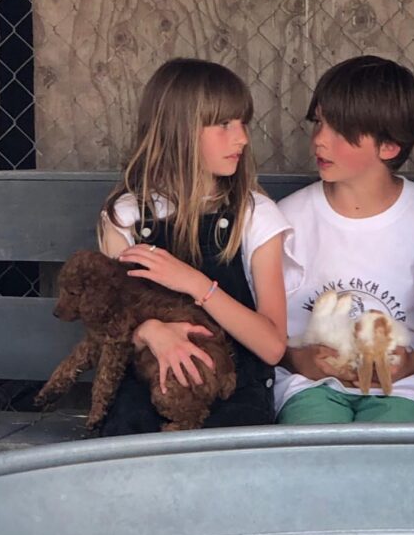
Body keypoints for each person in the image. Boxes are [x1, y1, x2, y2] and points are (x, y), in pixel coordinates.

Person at [97, 57, 297, 435]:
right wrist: (150, 331)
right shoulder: (126, 217)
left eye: (243, 123)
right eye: (224, 124)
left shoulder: (255, 215)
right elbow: (112, 326)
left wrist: (194, 283)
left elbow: (272, 347)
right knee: (129, 440)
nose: (242, 138)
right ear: (180, 130)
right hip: (149, 386)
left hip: (233, 388)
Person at [275, 55, 414, 424]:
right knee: (312, 439)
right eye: (319, 122)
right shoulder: (288, 217)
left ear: (389, 147)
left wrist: (412, 364)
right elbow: (261, 328)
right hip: (311, 385)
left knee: (395, 443)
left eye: (340, 130)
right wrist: (298, 360)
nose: (319, 140)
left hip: (404, 387)